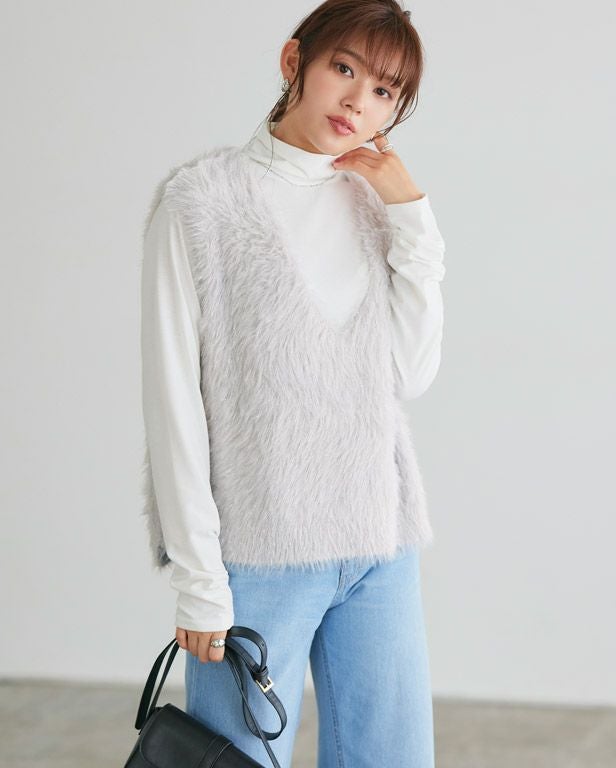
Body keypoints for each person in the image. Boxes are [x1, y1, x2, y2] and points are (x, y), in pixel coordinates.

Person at [140, 0, 446, 764]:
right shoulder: (200, 203)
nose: (358, 101)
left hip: (378, 545)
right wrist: (200, 580)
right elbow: (174, 406)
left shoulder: (374, 205)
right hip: (260, 554)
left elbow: (410, 374)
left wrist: (412, 218)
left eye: (384, 91)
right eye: (344, 69)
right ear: (293, 62)